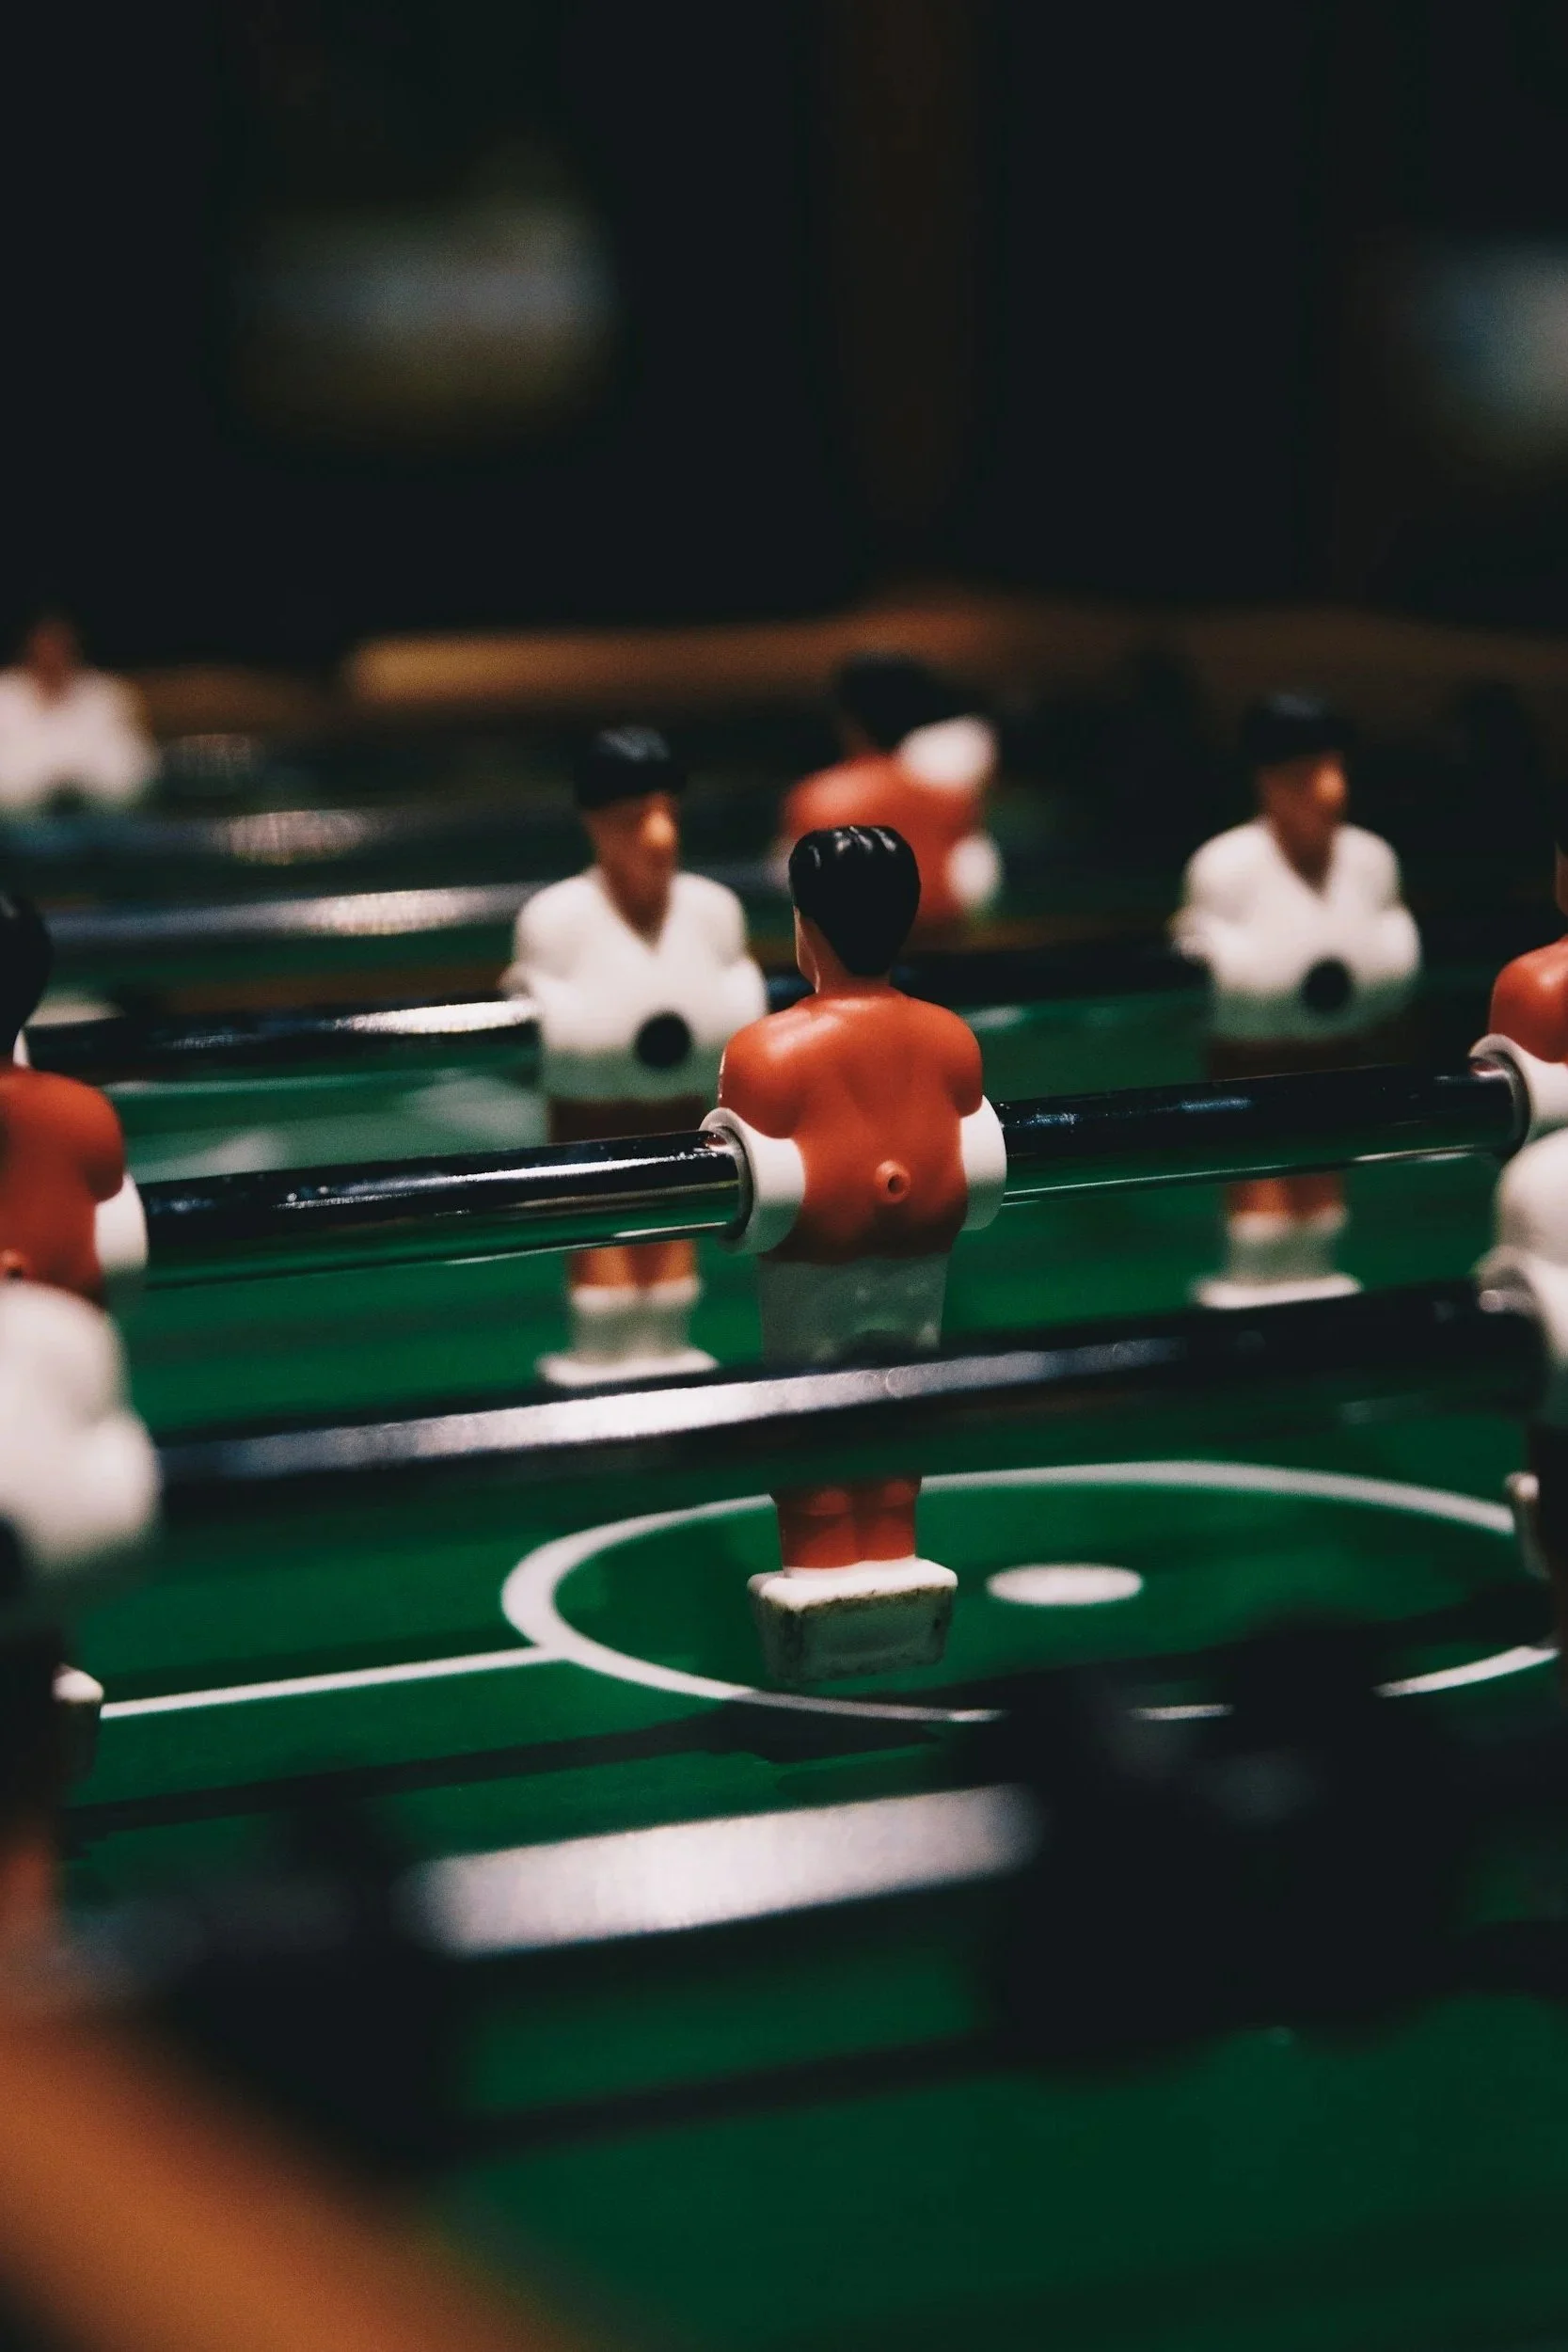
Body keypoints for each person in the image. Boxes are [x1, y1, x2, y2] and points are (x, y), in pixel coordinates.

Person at [706, 825, 1006, 1680]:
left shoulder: (765, 1053)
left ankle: (829, 1576)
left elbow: (759, 1182)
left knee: (815, 1422)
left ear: (806, 927)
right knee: (897, 1408)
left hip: (812, 1269)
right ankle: (890, 1565)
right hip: (917, 1268)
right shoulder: (953, 1043)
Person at [503, 727, 766, 1385]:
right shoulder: (556, 919)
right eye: (631, 819)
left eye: (666, 815)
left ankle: (669, 1354)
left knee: (673, 1261)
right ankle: (599, 1362)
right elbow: (549, 1032)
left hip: (681, 1114)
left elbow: (740, 1010)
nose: (657, 837)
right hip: (595, 1126)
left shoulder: (712, 912)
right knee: (606, 1263)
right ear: (594, 824)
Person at [1172, 693, 1420, 1306]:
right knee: (1260, 1185)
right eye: (1308, 775)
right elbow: (1203, 965)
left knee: (1321, 1179)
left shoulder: (1370, 861)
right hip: (1251, 1060)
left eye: (1335, 770)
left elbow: (1391, 943)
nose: (1330, 790)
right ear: (1268, 783)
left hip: (1333, 1048)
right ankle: (1253, 1279)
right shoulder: (1225, 867)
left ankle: (1315, 1271)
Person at [776, 652, 1001, 936]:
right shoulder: (950, 800)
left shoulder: (813, 800)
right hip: (943, 950)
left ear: (846, 721)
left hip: (852, 955)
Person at [0, 614, 157, 814]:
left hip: (100, 816)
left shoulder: (108, 695)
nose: (52, 654)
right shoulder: (4, 696)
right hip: (19, 823)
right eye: (44, 645)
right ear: (27, 650)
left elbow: (134, 769)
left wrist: (79, 784)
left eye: (60, 646)